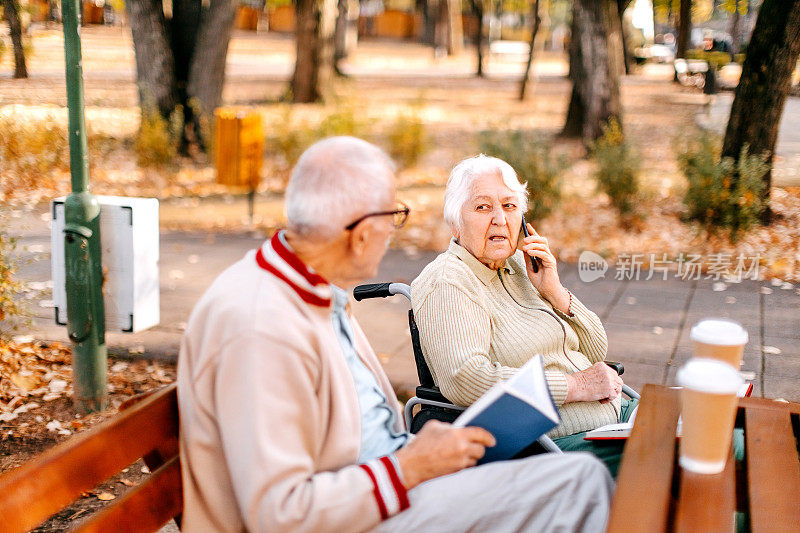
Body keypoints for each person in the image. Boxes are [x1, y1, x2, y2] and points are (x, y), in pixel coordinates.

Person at [177, 137, 614, 532]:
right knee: (582, 484)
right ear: (362, 231)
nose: (393, 231)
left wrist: (420, 453)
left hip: (387, 481)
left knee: (579, 478)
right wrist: (409, 466)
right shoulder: (260, 324)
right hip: (366, 510)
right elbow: (277, 513)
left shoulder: (315, 291)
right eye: (394, 216)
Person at [411, 154, 637, 477]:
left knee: (726, 439)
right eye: (483, 207)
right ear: (455, 222)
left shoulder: (519, 266)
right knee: (685, 461)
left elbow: (596, 350)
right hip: (552, 444)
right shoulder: (449, 280)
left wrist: (555, 291)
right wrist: (576, 386)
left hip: (615, 417)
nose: (500, 220)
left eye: (509, 206)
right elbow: (465, 377)